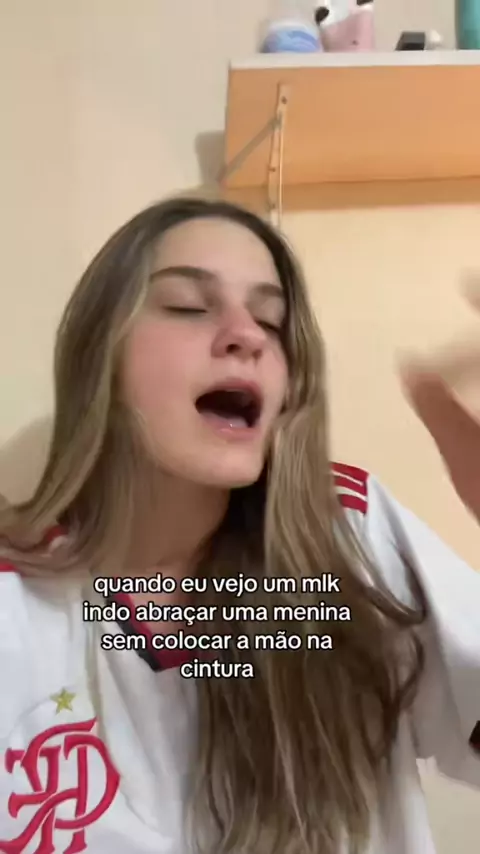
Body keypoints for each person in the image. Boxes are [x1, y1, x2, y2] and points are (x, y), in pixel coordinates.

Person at [0, 196, 478, 854]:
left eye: (271, 321)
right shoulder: (17, 607)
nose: (247, 335)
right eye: (187, 307)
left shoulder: (347, 536)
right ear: (97, 355)